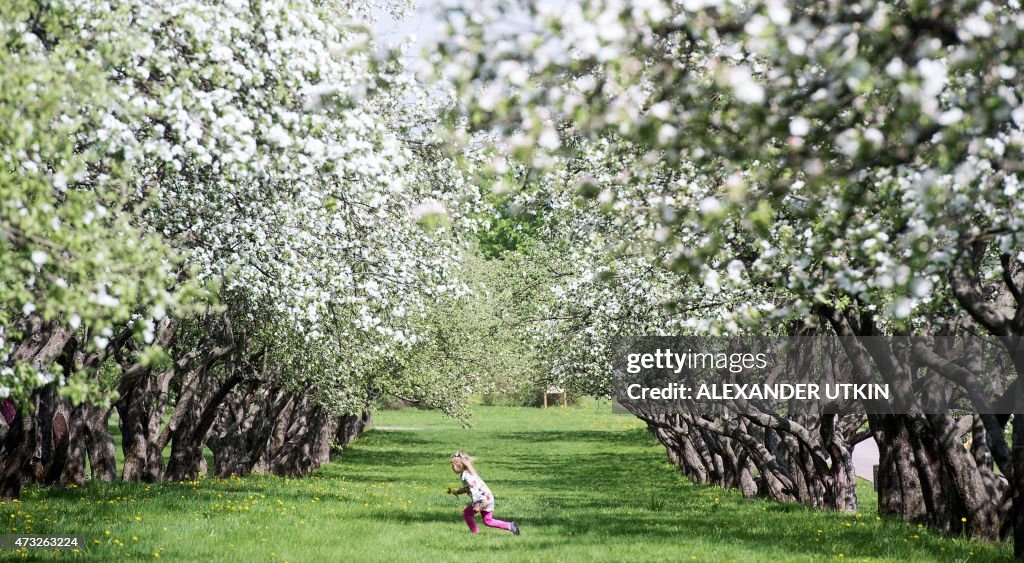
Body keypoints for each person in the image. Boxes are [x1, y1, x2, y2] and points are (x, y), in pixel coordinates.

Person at [446, 451, 520, 535]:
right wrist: (457, 491)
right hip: (488, 498)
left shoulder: (467, 476)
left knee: (467, 513)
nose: (452, 467)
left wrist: (479, 505)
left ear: (460, 465)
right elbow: (468, 488)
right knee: (488, 521)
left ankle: (474, 533)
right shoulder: (467, 474)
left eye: (453, 465)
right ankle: (511, 526)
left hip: (483, 500)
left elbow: (474, 489)